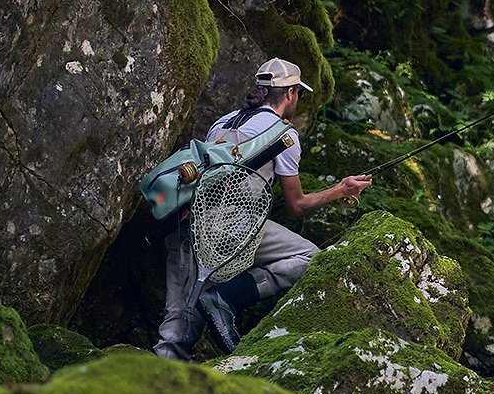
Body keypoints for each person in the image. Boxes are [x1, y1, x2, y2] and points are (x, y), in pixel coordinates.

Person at [154, 57, 372, 359]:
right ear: (291, 93)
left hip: (188, 220)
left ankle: (158, 381)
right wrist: (342, 190)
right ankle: (225, 297)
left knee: (178, 318)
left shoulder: (224, 121)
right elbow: (296, 204)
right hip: (233, 224)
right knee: (308, 257)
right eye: (300, 94)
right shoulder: (283, 134)